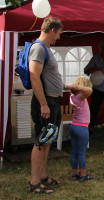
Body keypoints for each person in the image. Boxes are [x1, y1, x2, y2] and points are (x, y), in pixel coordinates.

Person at [29, 17, 64, 193]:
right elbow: (34, 76)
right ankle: (34, 182)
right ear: (52, 30)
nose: (58, 37)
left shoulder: (45, 48)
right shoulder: (38, 48)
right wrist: (43, 104)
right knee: (41, 141)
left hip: (53, 101)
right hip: (46, 102)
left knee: (48, 140)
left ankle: (42, 175)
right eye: (58, 33)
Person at [67, 76, 94, 182]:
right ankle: (83, 174)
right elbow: (90, 90)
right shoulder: (81, 97)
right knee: (81, 152)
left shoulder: (72, 97)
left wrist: (74, 87)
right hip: (82, 128)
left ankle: (74, 174)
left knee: (74, 151)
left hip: (73, 126)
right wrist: (79, 88)